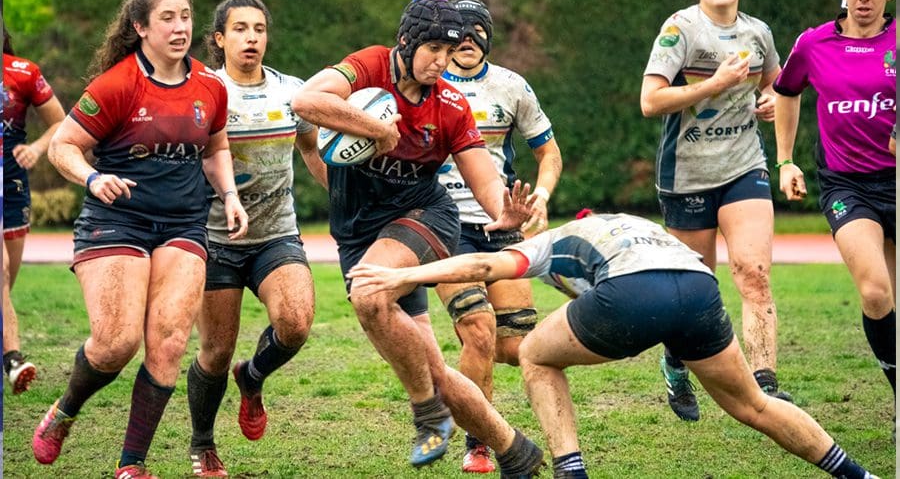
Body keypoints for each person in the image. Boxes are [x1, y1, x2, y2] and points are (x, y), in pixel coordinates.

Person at [348, 210, 881, 479]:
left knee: (534, 354)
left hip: (633, 290)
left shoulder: (554, 241)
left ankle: (570, 469)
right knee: (754, 405)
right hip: (698, 288)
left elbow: (483, 265)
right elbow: (673, 279)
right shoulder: (635, 224)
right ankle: (858, 473)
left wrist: (406, 277)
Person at [291, 0, 544, 476]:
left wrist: (504, 214)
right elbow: (306, 99)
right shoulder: (366, 67)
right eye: (433, 50)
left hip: (425, 217)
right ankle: (514, 451)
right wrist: (376, 130)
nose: (442, 63)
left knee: (368, 292)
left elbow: (484, 179)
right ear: (405, 41)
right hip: (358, 231)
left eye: (450, 53)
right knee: (432, 366)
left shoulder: (449, 105)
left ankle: (426, 413)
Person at [32, 0, 248, 478]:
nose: (180, 28)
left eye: (186, 16)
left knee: (170, 342)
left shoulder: (211, 86)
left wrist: (231, 196)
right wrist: (93, 176)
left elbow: (215, 149)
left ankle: (132, 464)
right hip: (116, 221)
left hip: (183, 222)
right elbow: (63, 145)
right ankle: (65, 409)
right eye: (167, 18)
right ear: (141, 27)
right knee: (116, 342)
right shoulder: (117, 84)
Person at [186, 0, 324, 477]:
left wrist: (343, 198)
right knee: (216, 351)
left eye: (259, 29)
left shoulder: (293, 92)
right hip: (215, 240)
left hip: (276, 235)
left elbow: (311, 149)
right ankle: (203, 444)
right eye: (240, 28)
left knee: (296, 323)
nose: (252, 37)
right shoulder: (203, 89)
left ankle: (255, 375)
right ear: (220, 38)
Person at [639, 0, 789, 422]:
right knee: (693, 291)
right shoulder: (679, 29)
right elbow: (651, 101)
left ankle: (766, 387)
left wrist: (767, 102)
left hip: (744, 167)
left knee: (754, 274)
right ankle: (675, 364)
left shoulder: (758, 33)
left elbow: (777, 87)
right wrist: (715, 84)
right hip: (686, 176)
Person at [434, 0, 562, 473]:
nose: (467, 38)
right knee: (480, 333)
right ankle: (480, 442)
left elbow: (549, 154)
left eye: (477, 29)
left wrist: (542, 197)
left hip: (503, 228)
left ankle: (439, 385)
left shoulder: (512, 86)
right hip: (446, 228)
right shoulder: (427, 85)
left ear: (489, 35)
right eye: (458, 30)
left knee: (515, 347)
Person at [773, 0, 895, 411]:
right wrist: (785, 161)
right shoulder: (813, 43)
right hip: (848, 185)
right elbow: (785, 93)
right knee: (876, 292)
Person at [2, 25, 67, 394]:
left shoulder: (24, 72)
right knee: (2, 268)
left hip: (11, 183)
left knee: (8, 278)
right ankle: (12, 358)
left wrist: (37, 150)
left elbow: (59, 122)